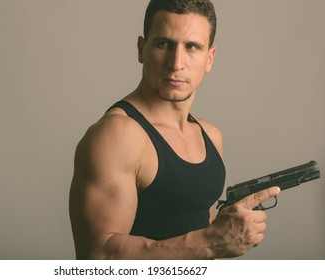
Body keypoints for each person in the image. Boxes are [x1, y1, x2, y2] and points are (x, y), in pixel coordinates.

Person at [69, 0, 280, 260]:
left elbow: (194, 235)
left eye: (192, 47)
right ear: (141, 49)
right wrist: (212, 242)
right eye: (164, 44)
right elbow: (100, 256)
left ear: (209, 58)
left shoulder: (210, 135)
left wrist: (228, 232)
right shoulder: (118, 135)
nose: (176, 63)